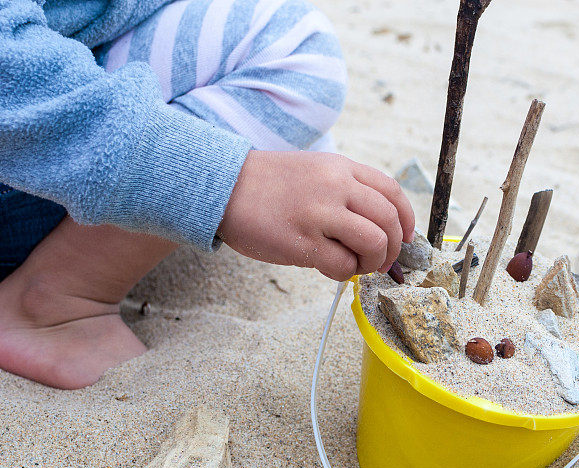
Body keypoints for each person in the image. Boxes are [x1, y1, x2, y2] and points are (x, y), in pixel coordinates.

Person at [0, 0, 415, 390]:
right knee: (298, 54)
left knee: (301, 129)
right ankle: (54, 303)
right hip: (25, 142)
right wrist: (229, 182)